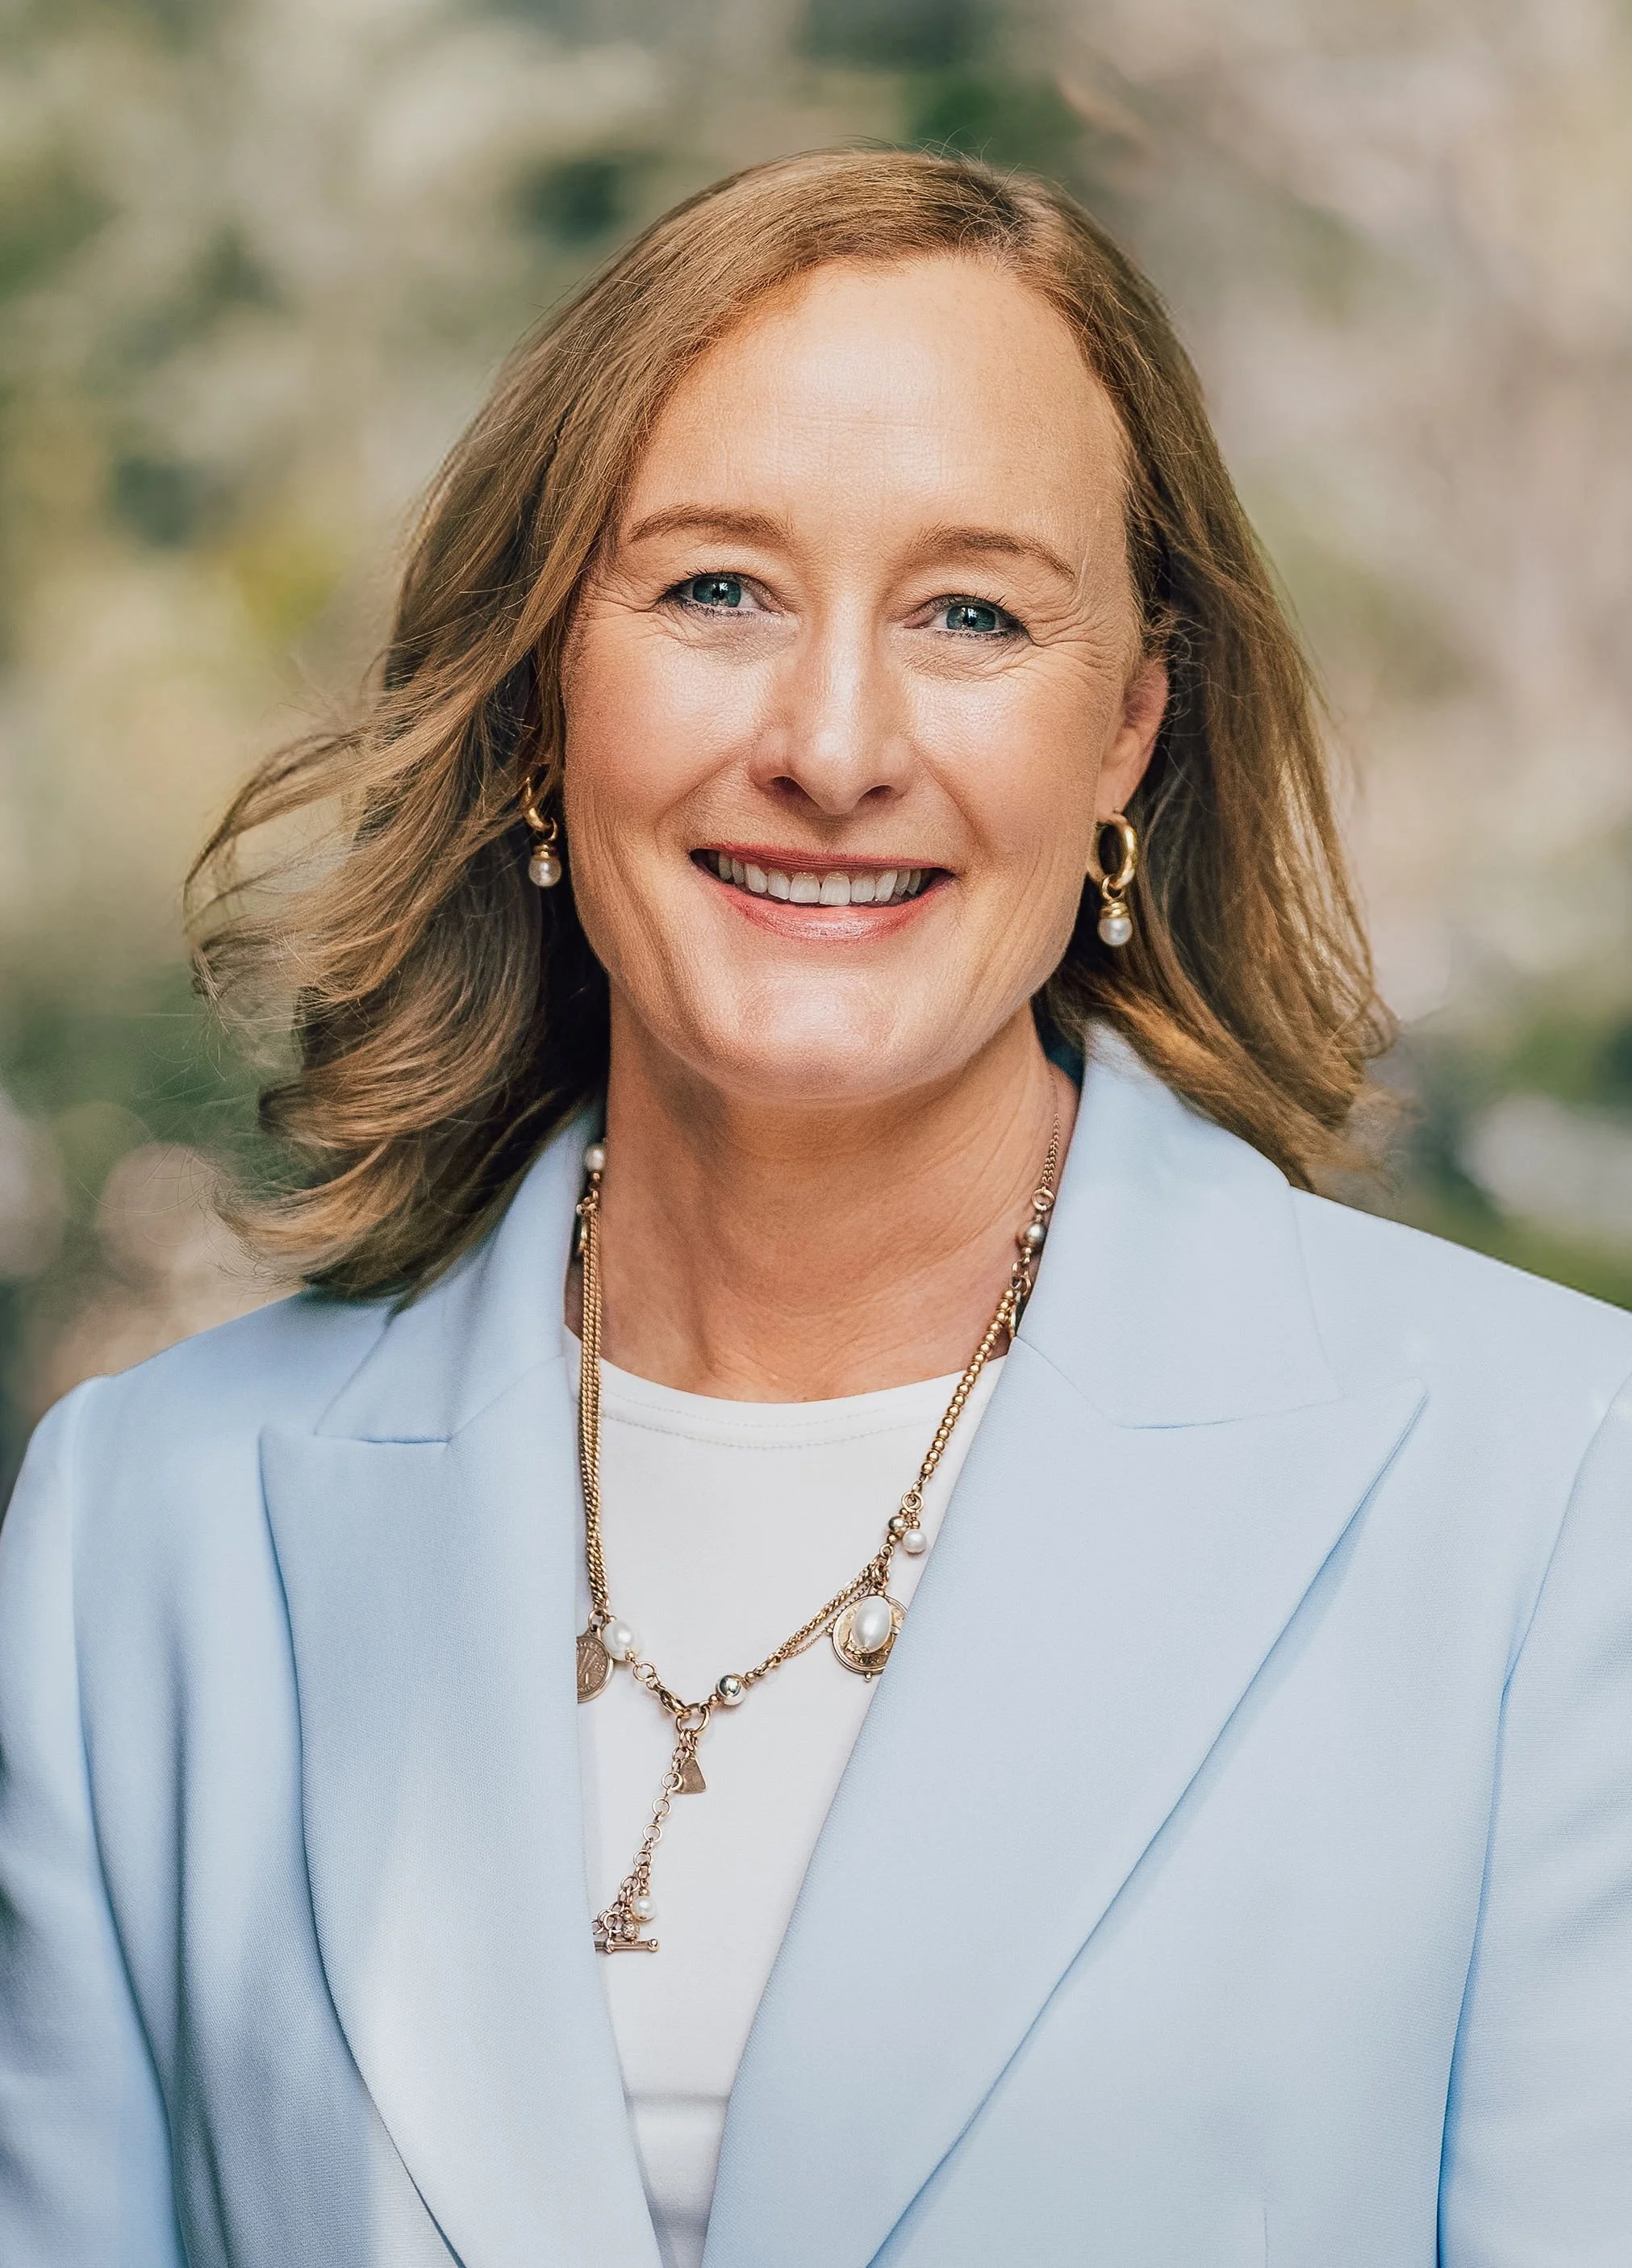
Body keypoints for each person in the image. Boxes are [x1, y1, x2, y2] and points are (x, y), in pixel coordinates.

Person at [1, 148, 1628, 2268]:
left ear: (1125, 728)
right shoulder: (147, 1528)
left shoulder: (1553, 1491)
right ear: (532, 707)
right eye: (714, 591)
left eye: (972, 611)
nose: (834, 742)